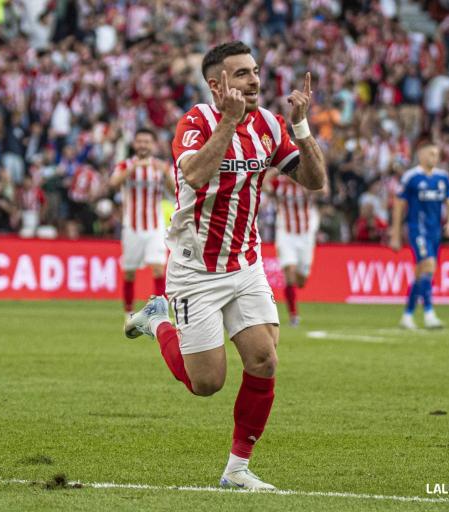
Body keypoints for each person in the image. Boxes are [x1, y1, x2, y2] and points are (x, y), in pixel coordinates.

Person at [124, 41, 326, 489]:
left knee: (264, 359)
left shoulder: (271, 125)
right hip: (196, 268)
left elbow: (315, 181)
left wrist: (301, 126)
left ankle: (237, 469)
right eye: (241, 74)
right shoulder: (196, 121)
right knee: (207, 383)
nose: (254, 80)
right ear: (216, 85)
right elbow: (194, 174)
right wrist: (230, 123)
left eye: (254, 71)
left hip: (246, 261)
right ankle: (158, 320)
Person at [390, 141, 449, 329]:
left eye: (436, 154)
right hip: (417, 229)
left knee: (423, 273)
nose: (434, 157)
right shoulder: (411, 177)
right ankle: (429, 313)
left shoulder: (443, 178)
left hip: (435, 231)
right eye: (431, 154)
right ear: (421, 155)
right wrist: (395, 234)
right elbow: (399, 205)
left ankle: (407, 315)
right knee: (428, 265)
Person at [110, 128, 174, 316]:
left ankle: (160, 313)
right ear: (134, 144)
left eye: (147, 141)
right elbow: (113, 183)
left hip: (155, 226)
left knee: (158, 269)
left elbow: (172, 189)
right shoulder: (125, 166)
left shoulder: (160, 166)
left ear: (152, 144)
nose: (143, 145)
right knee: (129, 271)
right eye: (140, 141)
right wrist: (133, 168)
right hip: (132, 226)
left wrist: (166, 174)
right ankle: (128, 313)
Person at [267, 170, 320, 326]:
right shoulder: (280, 184)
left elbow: (323, 188)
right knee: (289, 272)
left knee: (301, 281)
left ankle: (294, 293)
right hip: (285, 233)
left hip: (305, 234)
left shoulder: (307, 184)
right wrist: (277, 170)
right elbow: (263, 184)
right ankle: (294, 315)